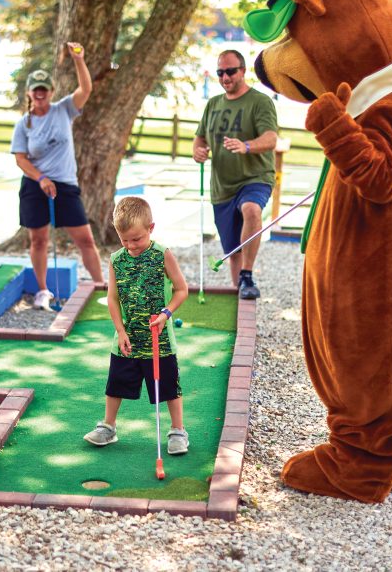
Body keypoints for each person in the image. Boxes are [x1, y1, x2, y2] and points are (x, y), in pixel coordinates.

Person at [83, 196, 190, 455]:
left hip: (159, 339)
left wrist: (165, 313)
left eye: (137, 239)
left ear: (151, 228)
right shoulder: (116, 259)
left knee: (168, 388)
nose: (131, 245)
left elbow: (181, 289)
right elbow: (112, 297)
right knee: (116, 384)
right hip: (127, 338)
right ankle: (108, 427)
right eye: (125, 239)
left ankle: (178, 431)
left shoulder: (162, 255)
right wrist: (120, 331)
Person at [11, 42, 103, 311]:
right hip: (34, 186)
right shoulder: (24, 124)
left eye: (44, 89)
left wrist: (79, 59)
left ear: (51, 91)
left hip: (65, 185)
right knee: (38, 240)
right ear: (29, 92)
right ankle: (42, 291)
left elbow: (86, 89)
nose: (40, 94)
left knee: (85, 239)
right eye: (35, 90)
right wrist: (40, 178)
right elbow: (20, 159)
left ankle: (101, 287)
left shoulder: (64, 109)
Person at [192, 49, 278, 299]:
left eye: (230, 71)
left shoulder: (260, 102)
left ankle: (247, 275)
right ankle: (240, 295)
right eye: (220, 72)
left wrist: (247, 146)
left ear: (242, 71)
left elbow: (271, 138)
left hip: (255, 177)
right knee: (232, 251)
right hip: (222, 186)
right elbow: (199, 138)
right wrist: (198, 151)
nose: (225, 77)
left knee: (251, 209)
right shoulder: (213, 104)